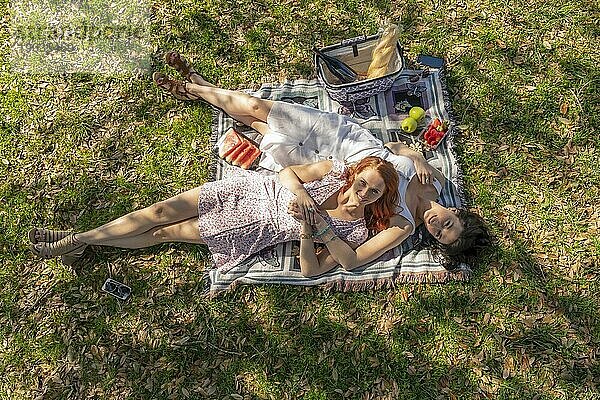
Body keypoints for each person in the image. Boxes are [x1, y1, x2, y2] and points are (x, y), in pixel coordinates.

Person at [150, 52, 492, 268]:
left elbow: (352, 258)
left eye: (439, 235)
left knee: (263, 131)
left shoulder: (402, 226)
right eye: (448, 223)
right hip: (348, 142)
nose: (437, 225)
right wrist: (416, 155)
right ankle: (193, 88)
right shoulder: (437, 183)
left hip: (332, 173)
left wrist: (323, 230)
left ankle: (198, 85)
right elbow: (396, 148)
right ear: (456, 212)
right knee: (258, 110)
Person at [30, 156, 400, 277]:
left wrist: (308, 230)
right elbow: (287, 173)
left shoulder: (353, 229)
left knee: (165, 232)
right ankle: (77, 240)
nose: (364, 192)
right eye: (363, 182)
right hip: (248, 190)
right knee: (157, 211)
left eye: (375, 191)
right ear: (356, 174)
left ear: (382, 197)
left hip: (251, 227)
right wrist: (301, 192)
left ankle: (76, 241)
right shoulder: (332, 171)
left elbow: (312, 270)